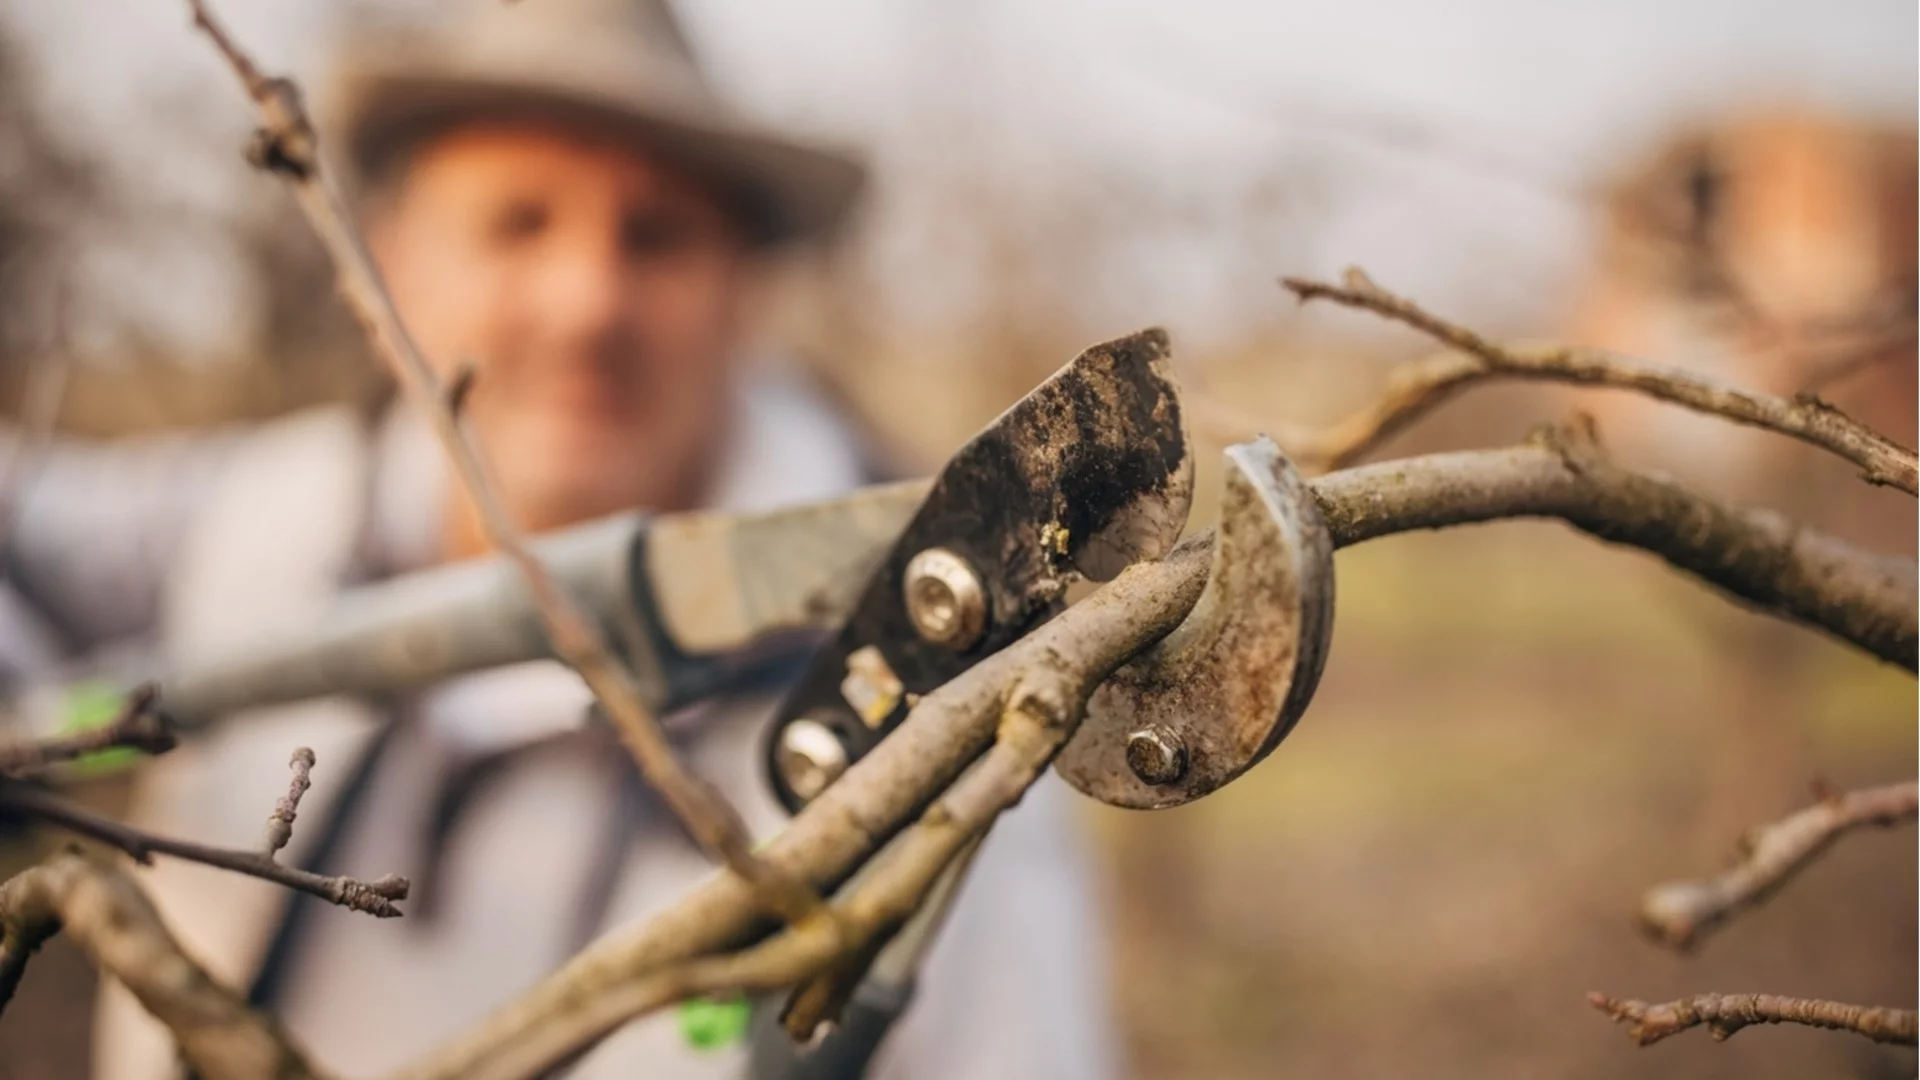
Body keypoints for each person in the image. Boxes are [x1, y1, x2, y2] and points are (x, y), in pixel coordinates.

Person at [0, 1, 1122, 1077]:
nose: (589, 299)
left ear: (741, 292)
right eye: (518, 220)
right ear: (397, 261)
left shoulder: (935, 707)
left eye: (656, 236)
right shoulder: (257, 517)